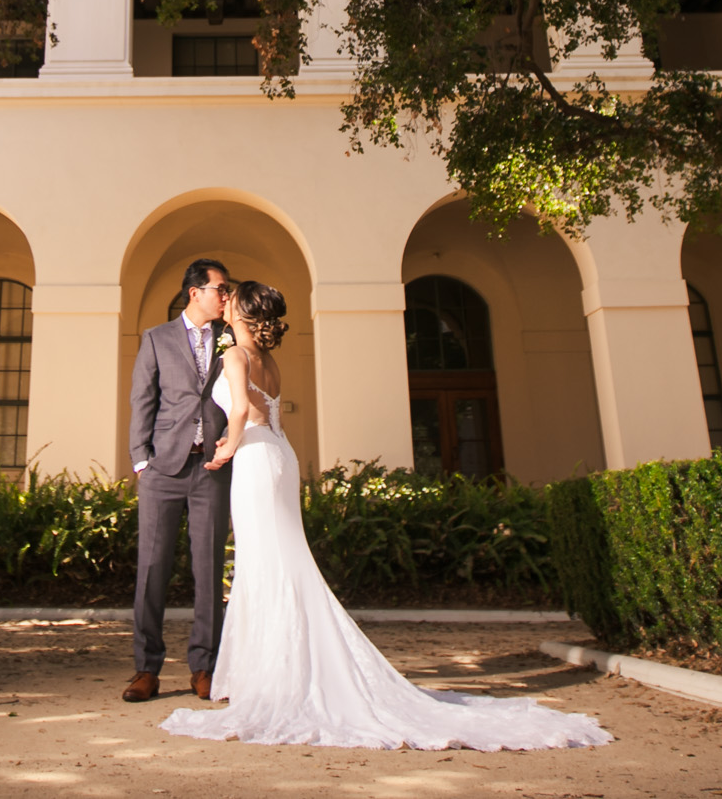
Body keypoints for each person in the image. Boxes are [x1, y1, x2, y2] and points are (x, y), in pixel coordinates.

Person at [161, 280, 614, 751]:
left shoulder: (236, 357)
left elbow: (238, 413)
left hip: (256, 458)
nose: (225, 303)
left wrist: (225, 450)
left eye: (230, 300)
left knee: (265, 566)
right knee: (283, 564)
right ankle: (275, 677)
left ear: (242, 313)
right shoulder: (269, 362)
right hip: (279, 454)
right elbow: (267, 412)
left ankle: (277, 683)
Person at [121, 257, 234, 704]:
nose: (226, 296)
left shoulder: (231, 339)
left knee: (208, 573)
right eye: (220, 289)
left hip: (211, 470)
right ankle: (146, 669)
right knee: (151, 570)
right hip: (162, 471)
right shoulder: (156, 339)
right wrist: (140, 462)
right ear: (195, 293)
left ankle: (205, 667)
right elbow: (142, 401)